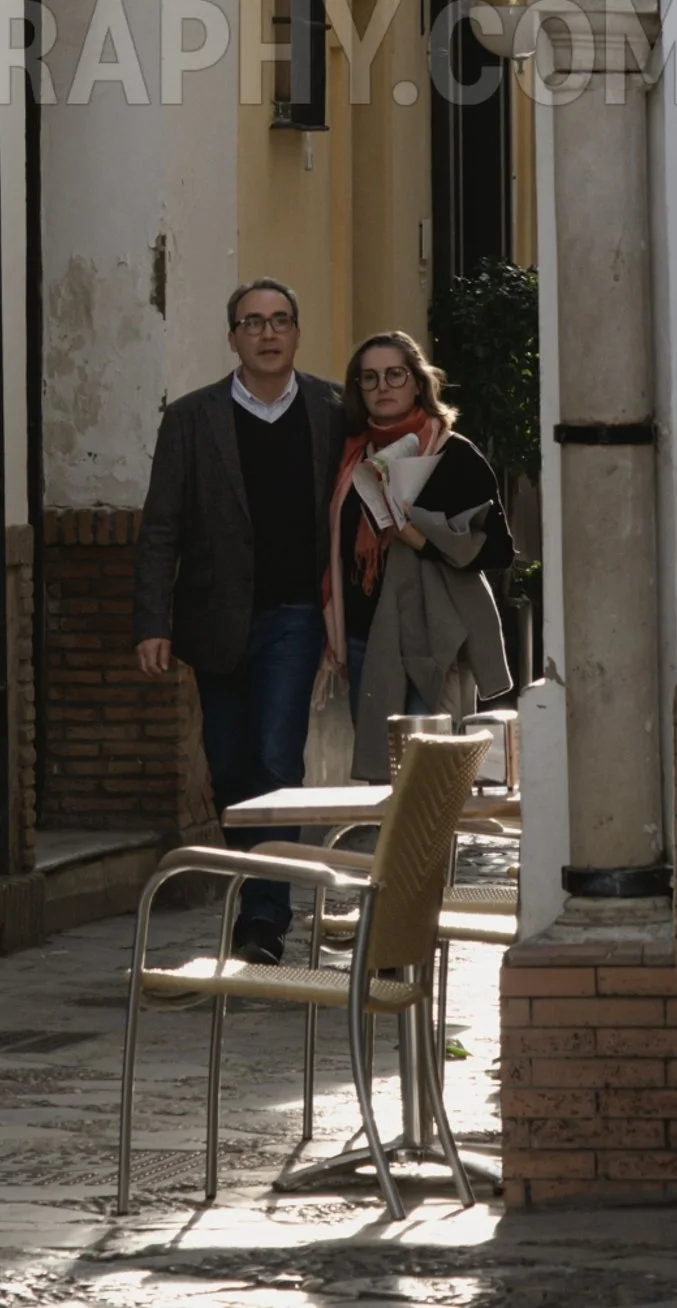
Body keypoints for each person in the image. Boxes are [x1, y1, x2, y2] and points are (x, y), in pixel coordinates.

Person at [133, 278, 343, 966]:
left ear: (297, 332)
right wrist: (150, 620)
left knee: (277, 759)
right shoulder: (192, 419)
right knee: (229, 769)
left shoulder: (329, 409)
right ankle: (257, 882)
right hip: (215, 618)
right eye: (252, 322)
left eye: (281, 320)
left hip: (294, 616)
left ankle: (263, 915)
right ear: (232, 337)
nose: (267, 333)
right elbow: (161, 524)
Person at [318, 330, 515, 782]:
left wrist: (423, 538)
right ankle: (392, 855)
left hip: (432, 638)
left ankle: (427, 854)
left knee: (428, 773)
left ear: (417, 383)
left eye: (394, 374)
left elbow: (499, 550)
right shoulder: (349, 457)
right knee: (384, 771)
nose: (382, 386)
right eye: (369, 378)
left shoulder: (454, 454)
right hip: (366, 637)